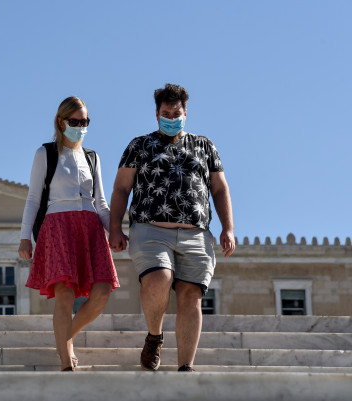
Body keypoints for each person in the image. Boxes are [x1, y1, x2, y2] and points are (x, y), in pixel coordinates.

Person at [109, 84, 235, 372]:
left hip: (196, 234)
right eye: (166, 114)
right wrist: (115, 228)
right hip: (151, 231)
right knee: (158, 279)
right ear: (156, 114)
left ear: (185, 113)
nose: (171, 118)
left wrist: (228, 228)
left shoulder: (204, 146)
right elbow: (121, 188)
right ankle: (154, 337)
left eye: (176, 114)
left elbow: (219, 189)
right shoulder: (139, 145)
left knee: (191, 296)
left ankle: (185, 366)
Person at [19, 96, 120, 371]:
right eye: (74, 122)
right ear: (61, 122)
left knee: (101, 292)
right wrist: (25, 237)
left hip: (90, 227)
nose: (80, 127)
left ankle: (66, 338)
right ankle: (66, 362)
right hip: (58, 226)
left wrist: (114, 231)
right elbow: (33, 198)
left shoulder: (93, 157)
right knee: (64, 295)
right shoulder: (45, 153)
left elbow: (101, 203)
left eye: (84, 122)